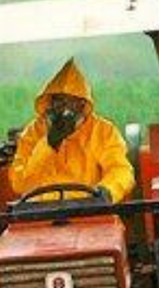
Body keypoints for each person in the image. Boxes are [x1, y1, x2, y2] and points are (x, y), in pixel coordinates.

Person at [9, 58, 135, 203]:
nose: (64, 109)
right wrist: (48, 144)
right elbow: (19, 183)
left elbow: (120, 169)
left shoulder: (103, 131)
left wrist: (107, 191)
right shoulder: (33, 132)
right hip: (41, 213)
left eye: (70, 102)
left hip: (90, 211)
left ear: (82, 105)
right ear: (49, 102)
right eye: (58, 101)